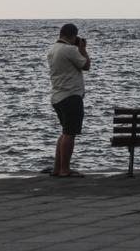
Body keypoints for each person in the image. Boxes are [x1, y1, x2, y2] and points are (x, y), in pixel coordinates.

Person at [48, 23, 91, 178]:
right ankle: (65, 169)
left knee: (65, 133)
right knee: (70, 134)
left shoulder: (53, 49)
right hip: (71, 96)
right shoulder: (69, 50)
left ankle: (57, 168)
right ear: (73, 35)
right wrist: (83, 50)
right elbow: (86, 65)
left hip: (57, 96)